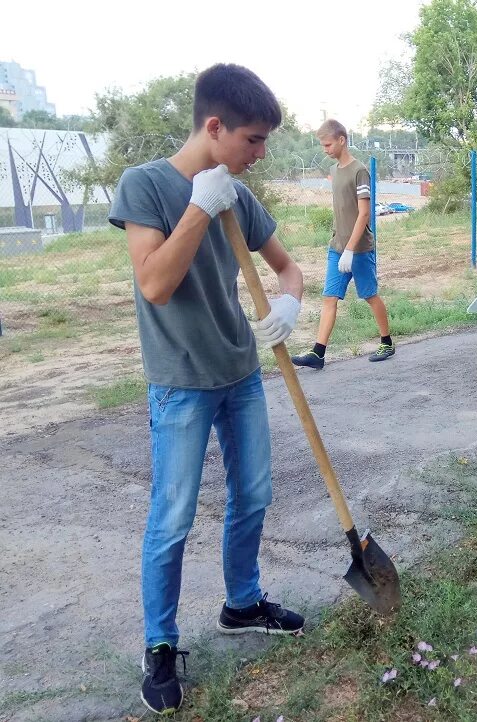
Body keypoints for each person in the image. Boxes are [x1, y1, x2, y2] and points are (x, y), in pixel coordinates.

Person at [108, 64, 306, 715]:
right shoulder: (146, 186)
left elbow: (289, 268)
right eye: (252, 139)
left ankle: (241, 602)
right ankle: (160, 645)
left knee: (254, 495)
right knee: (172, 517)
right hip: (181, 385)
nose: (260, 153)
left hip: (240, 374)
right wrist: (201, 204)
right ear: (214, 127)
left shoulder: (241, 198)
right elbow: (155, 284)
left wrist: (290, 304)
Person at [291, 119, 394, 369]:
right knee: (329, 298)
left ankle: (387, 342)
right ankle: (318, 353)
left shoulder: (359, 171)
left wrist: (350, 248)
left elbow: (364, 213)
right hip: (336, 247)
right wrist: (341, 245)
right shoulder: (334, 170)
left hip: (359, 250)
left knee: (370, 295)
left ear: (341, 140)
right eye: (322, 145)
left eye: (327, 144)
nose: (325, 149)